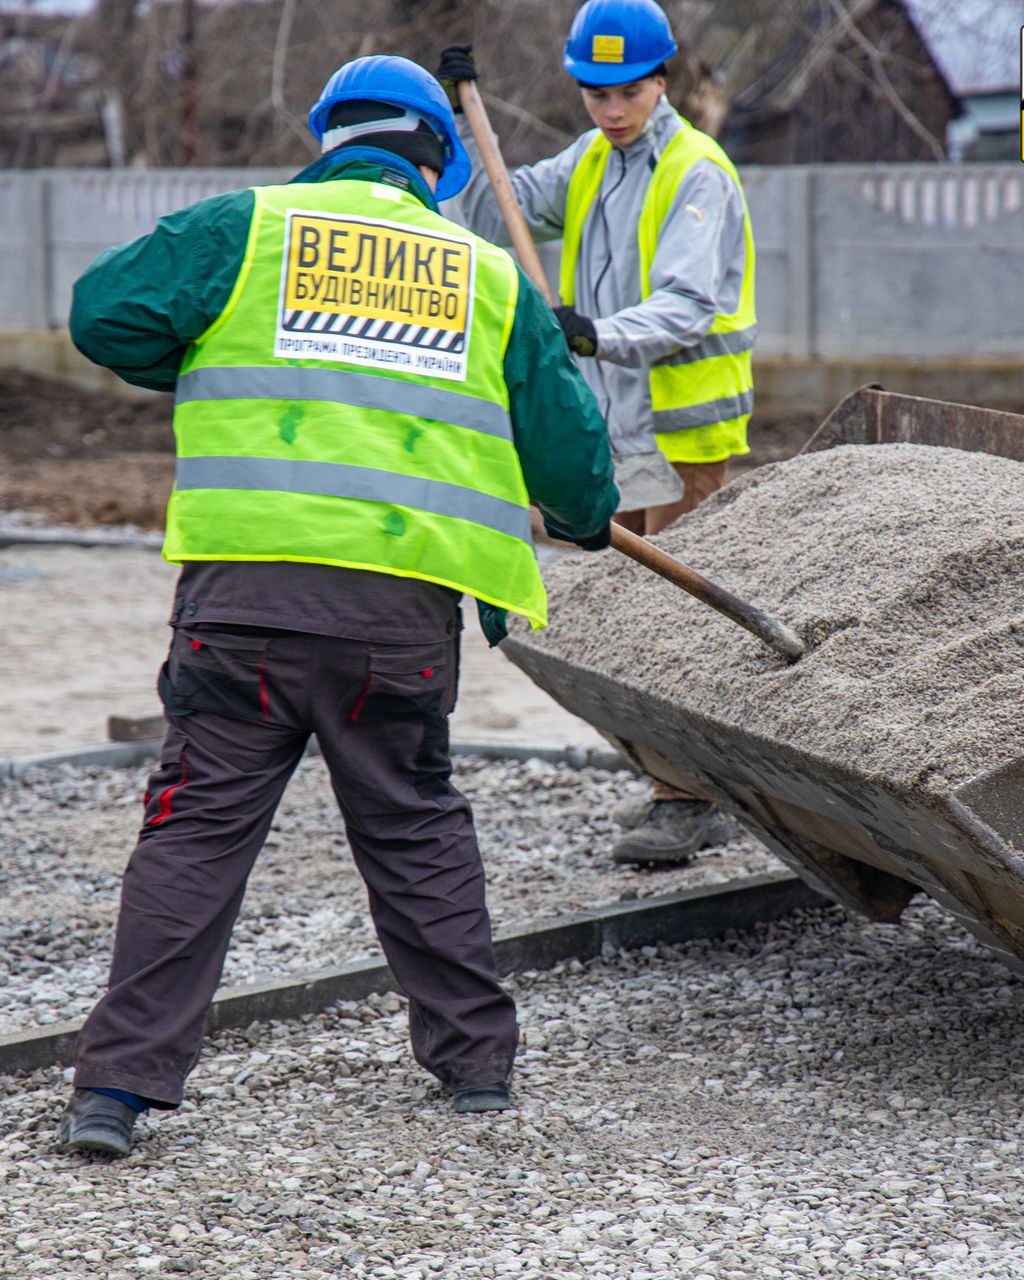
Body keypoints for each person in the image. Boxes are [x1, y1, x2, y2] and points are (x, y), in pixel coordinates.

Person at [56, 55, 618, 1156]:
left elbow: (102, 316)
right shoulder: (487, 276)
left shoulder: (244, 231)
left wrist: (209, 348)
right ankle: (475, 1069)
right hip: (394, 623)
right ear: (435, 162)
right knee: (413, 825)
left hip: (242, 605)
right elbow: (572, 463)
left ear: (329, 141)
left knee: (194, 835)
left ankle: (116, 1089)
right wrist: (587, 516)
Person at [438, 0, 753, 868]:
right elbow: (492, 209)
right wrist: (457, 128)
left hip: (684, 438)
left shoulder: (697, 172)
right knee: (635, 618)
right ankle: (675, 780)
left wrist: (595, 334)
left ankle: (689, 799)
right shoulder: (589, 161)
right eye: (595, 93)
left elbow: (688, 306)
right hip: (619, 431)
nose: (612, 110)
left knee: (678, 623)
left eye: (627, 92)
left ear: (662, 81)